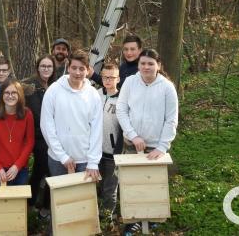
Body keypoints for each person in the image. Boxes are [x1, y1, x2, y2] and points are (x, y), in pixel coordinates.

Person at [40, 50, 103, 181]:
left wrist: (93, 161)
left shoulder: (93, 94)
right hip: (58, 159)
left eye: (82, 69)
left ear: (88, 70)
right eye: (74, 68)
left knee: (84, 195)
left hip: (85, 160)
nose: (77, 72)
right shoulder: (53, 91)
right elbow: (46, 126)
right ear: (68, 68)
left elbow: (97, 130)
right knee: (60, 194)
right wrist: (62, 156)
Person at [116, 48, 178, 158]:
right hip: (130, 144)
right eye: (143, 63)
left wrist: (162, 147)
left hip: (155, 149)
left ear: (158, 65)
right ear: (138, 65)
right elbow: (121, 111)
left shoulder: (167, 87)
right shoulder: (129, 82)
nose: (146, 67)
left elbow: (171, 119)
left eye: (150, 64)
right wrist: (133, 136)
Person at [23, 54, 58, 215]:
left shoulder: (55, 85)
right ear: (37, 68)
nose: (46, 69)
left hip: (53, 136)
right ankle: (31, 204)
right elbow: (36, 113)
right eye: (43, 66)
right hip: (38, 136)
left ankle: (44, 206)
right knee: (42, 169)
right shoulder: (30, 86)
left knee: (48, 172)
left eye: (49, 66)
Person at [0, 81, 35, 186]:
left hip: (20, 169)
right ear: (1, 95)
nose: (10, 96)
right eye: (7, 93)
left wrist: (17, 166)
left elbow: (30, 142)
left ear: (20, 95)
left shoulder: (27, 114)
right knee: (0, 197)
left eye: (14, 93)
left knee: (20, 197)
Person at [98, 62, 123, 218]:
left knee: (110, 187)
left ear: (118, 79)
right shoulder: (95, 94)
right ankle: (96, 214)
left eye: (111, 77)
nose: (108, 80)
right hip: (95, 151)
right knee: (98, 184)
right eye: (105, 77)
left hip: (113, 152)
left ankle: (107, 217)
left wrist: (118, 149)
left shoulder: (122, 99)